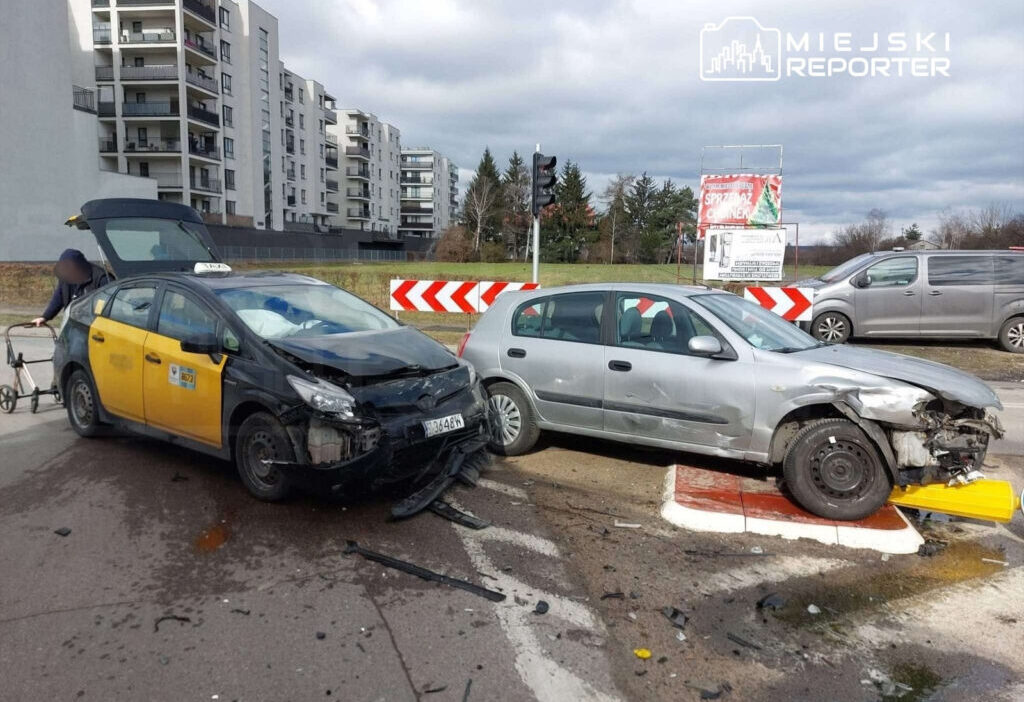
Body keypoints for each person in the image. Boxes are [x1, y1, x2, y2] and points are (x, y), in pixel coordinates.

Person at [32, 249, 112, 326]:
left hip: (96, 324)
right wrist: (45, 317)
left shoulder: (102, 278)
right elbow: (59, 298)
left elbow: (108, 303)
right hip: (73, 323)